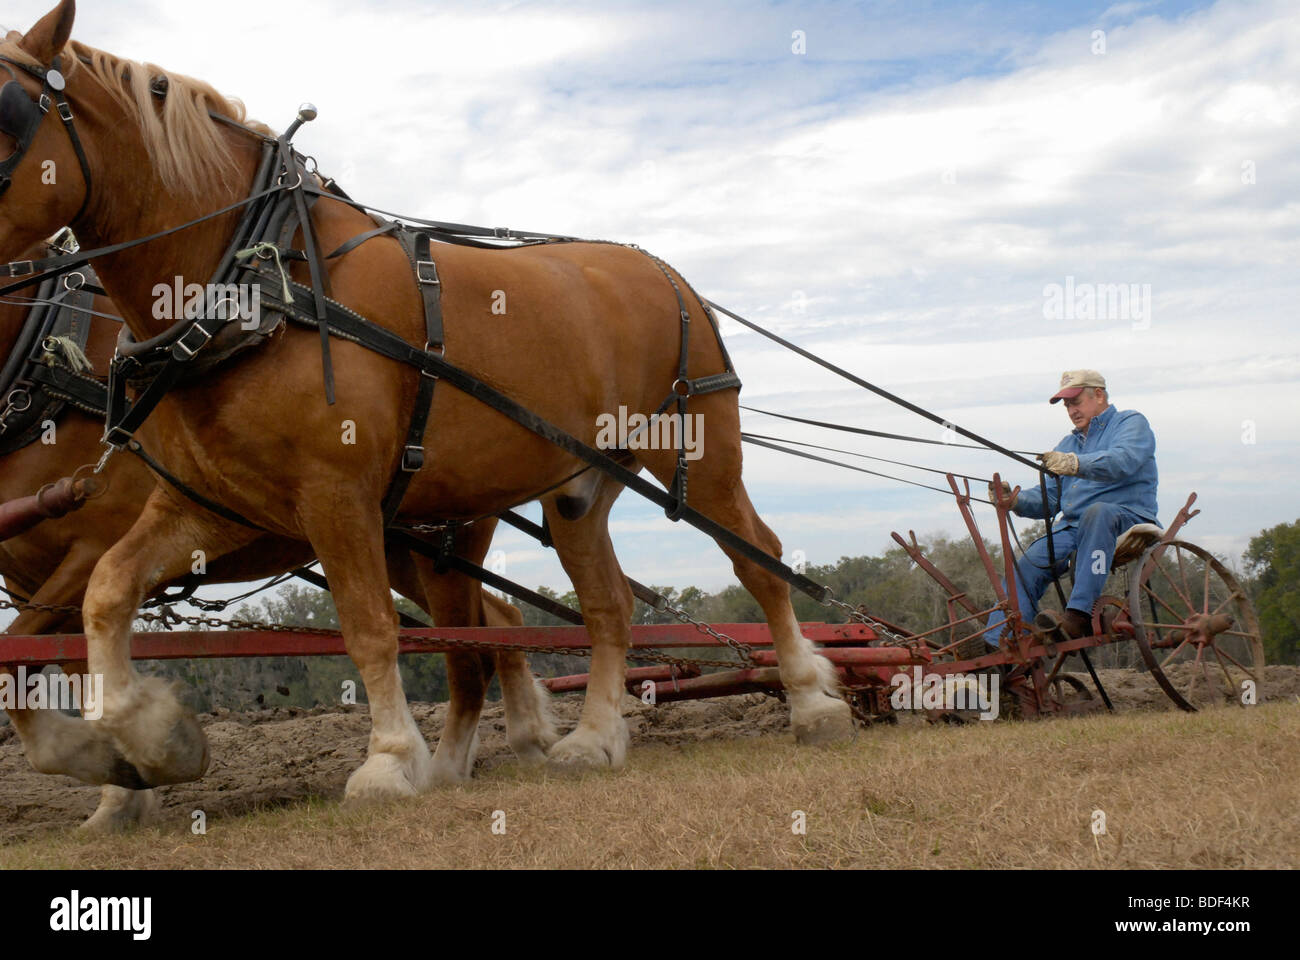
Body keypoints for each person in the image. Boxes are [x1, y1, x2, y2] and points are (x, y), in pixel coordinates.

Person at [985, 370, 1158, 647]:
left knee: (1098, 512)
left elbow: (1123, 460)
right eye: (1067, 405)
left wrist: (1075, 464)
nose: (1071, 410)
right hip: (1074, 528)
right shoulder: (1068, 444)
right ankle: (1002, 645)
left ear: (1098, 395)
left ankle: (1078, 616)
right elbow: (1051, 499)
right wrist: (1014, 500)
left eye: (1076, 401)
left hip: (1125, 517)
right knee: (1028, 563)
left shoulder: (1131, 423)